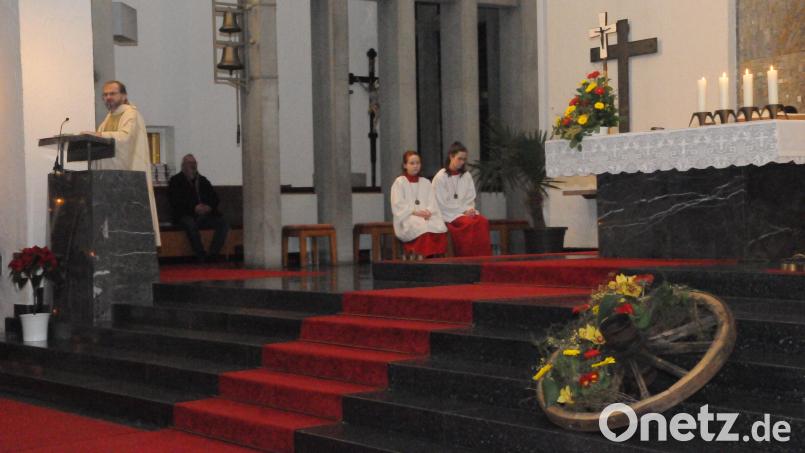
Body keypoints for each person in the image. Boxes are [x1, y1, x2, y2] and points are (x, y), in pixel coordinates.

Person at [86, 80, 160, 246]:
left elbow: (124, 138)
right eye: (105, 95)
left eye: (112, 93)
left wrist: (98, 136)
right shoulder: (108, 118)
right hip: (109, 178)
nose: (108, 97)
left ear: (124, 95)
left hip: (126, 177)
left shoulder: (130, 114)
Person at [432, 141, 492, 257]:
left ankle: (484, 258)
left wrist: (469, 209)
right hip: (449, 214)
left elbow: (470, 198)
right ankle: (468, 257)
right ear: (451, 156)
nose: (462, 162)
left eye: (464, 159)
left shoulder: (466, 176)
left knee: (482, 221)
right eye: (459, 159)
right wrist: (463, 211)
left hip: (465, 212)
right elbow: (442, 203)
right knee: (468, 224)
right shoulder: (440, 177)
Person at [168, 154, 230, 262]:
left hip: (204, 215)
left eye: (194, 163)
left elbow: (214, 198)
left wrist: (208, 207)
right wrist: (194, 208)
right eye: (189, 163)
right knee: (190, 223)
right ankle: (201, 255)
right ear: (183, 166)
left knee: (223, 223)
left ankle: (213, 254)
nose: (192, 166)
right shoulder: (175, 181)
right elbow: (176, 202)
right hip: (185, 215)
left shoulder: (203, 180)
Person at [391, 151, 448, 259]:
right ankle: (419, 256)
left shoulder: (425, 182)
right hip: (407, 216)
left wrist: (428, 212)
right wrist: (416, 212)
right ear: (405, 165)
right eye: (412, 163)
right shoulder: (399, 182)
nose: (415, 166)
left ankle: (436, 258)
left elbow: (432, 202)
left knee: (437, 224)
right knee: (422, 225)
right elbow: (398, 205)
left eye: (418, 163)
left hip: (426, 215)